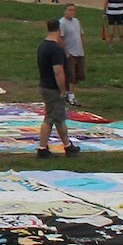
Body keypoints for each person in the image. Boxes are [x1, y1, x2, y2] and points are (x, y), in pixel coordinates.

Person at [36, 18, 80, 158]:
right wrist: (63, 90)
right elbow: (58, 72)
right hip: (53, 88)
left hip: (44, 85)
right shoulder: (55, 49)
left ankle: (67, 146)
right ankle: (42, 148)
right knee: (50, 118)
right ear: (59, 30)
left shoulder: (42, 46)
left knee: (59, 118)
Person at [60, 3, 84, 104]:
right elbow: (60, 38)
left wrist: (83, 48)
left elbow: (80, 34)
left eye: (73, 10)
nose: (72, 12)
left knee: (78, 75)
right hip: (70, 52)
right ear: (65, 11)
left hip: (79, 52)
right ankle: (70, 95)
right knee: (70, 75)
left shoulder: (76, 22)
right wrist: (65, 52)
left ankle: (69, 93)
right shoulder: (62, 23)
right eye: (69, 10)